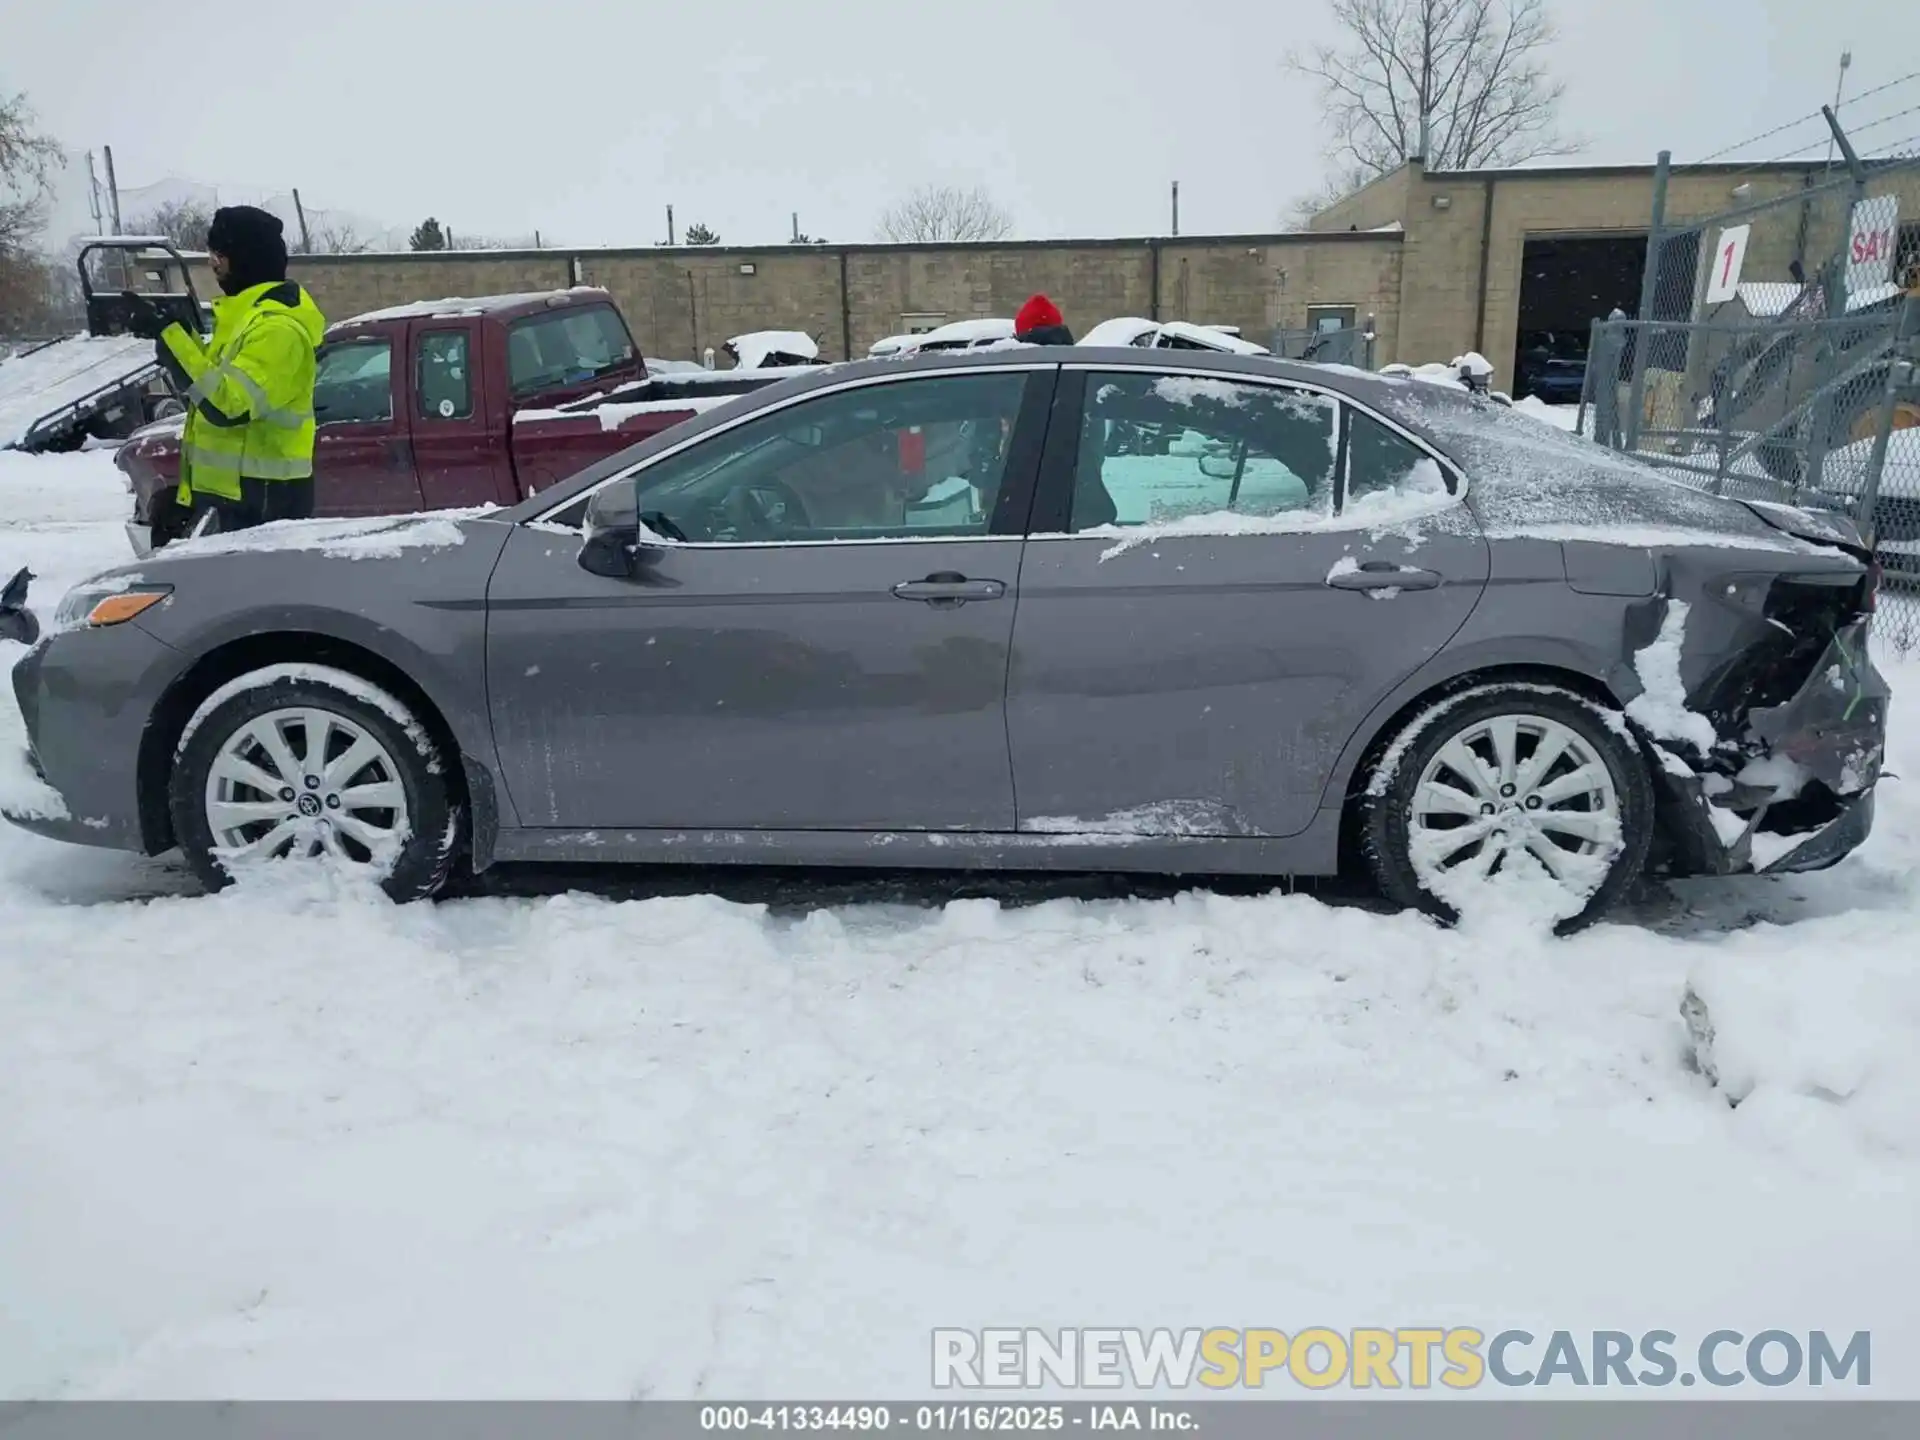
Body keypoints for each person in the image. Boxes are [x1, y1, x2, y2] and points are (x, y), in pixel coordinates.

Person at [121, 205, 326, 534]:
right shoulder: (244, 322)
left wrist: (172, 339)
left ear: (247, 259)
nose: (212, 265)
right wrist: (187, 502)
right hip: (234, 501)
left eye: (219, 256)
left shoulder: (277, 329)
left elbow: (226, 404)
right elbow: (210, 388)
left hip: (262, 507)